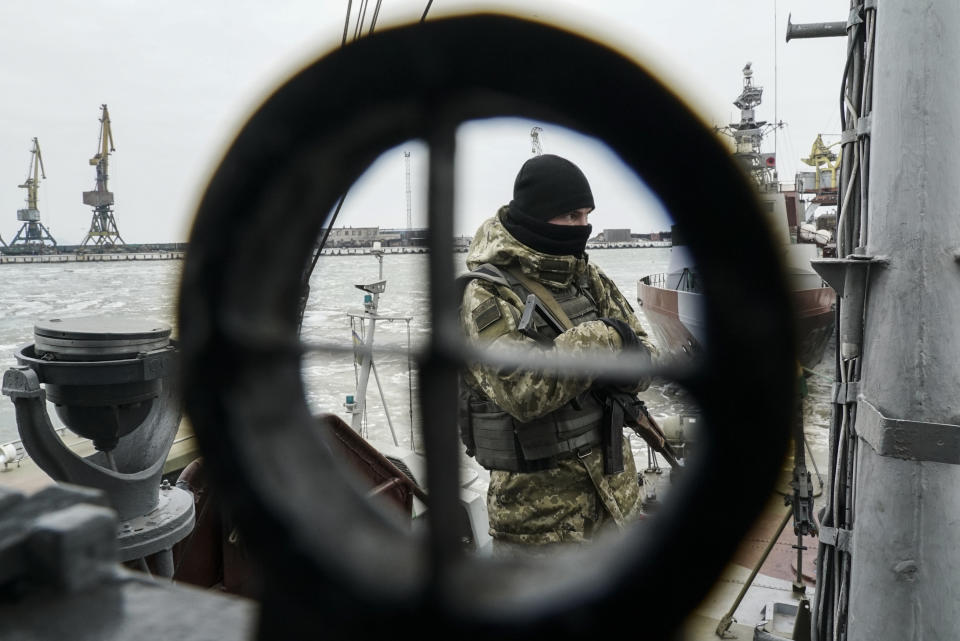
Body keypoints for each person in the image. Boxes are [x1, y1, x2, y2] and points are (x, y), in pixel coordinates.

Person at [458, 153, 658, 557]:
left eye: (586, 215)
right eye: (570, 215)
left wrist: (624, 357)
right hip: (540, 525)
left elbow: (647, 356)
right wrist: (603, 341)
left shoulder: (586, 276)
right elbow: (521, 390)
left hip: (615, 501)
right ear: (535, 216)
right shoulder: (487, 293)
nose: (582, 227)